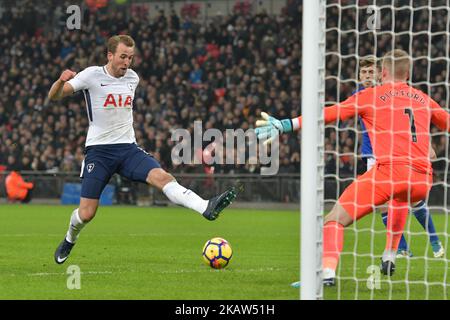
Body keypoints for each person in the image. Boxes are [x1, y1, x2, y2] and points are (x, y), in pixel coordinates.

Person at [256, 49, 450, 286]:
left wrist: (288, 124)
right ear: (408, 73)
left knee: (334, 219)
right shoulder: (423, 98)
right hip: (422, 179)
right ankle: (390, 254)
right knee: (400, 199)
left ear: (383, 72)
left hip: (389, 172)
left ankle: (325, 273)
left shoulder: (372, 95)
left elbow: (329, 114)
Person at [48, 35, 240, 265]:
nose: (127, 62)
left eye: (130, 57)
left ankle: (205, 207)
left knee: (163, 177)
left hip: (128, 149)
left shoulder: (133, 78)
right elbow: (55, 96)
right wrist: (60, 81)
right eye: (122, 57)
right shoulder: (91, 75)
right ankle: (70, 238)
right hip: (99, 152)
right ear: (110, 55)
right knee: (87, 213)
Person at [357, 56, 444, 258]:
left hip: (398, 154)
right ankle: (403, 248)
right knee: (382, 204)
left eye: (371, 72)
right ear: (359, 76)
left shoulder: (389, 94)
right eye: (364, 72)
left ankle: (434, 240)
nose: (368, 76)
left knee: (412, 200)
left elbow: (408, 118)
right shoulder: (360, 95)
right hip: (373, 156)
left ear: (380, 73)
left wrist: (426, 145)